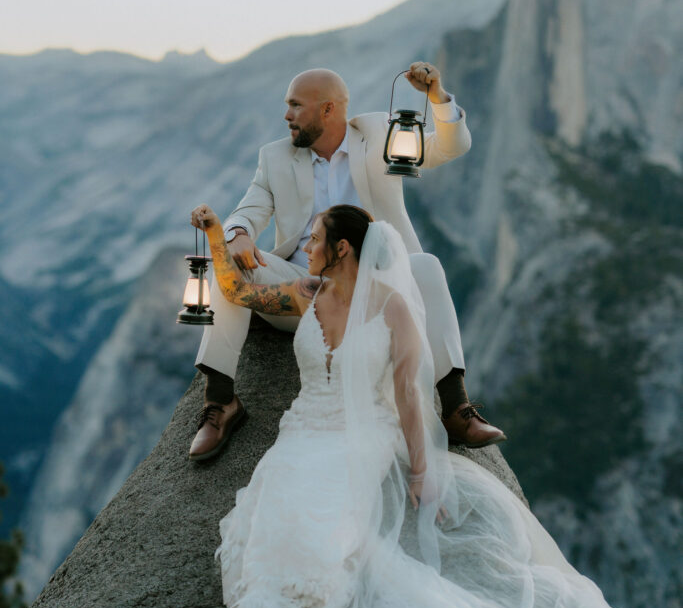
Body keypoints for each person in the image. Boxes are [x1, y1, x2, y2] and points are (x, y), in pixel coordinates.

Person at [191, 201, 661, 608]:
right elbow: (236, 292)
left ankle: (322, 599)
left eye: (315, 239)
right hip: (302, 432)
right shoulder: (305, 294)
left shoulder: (394, 311)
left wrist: (421, 472)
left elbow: (409, 402)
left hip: (362, 438)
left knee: (328, 527)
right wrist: (217, 235)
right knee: (281, 511)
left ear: (342, 249)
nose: (305, 249)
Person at [189, 62, 506, 461]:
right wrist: (237, 233)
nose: (286, 116)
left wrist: (436, 97)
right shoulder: (274, 157)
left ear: (328, 110)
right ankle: (221, 404)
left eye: (295, 106)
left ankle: (456, 408)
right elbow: (247, 209)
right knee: (229, 266)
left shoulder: (378, 135)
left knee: (426, 264)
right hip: (304, 290)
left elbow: (450, 147)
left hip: (377, 289)